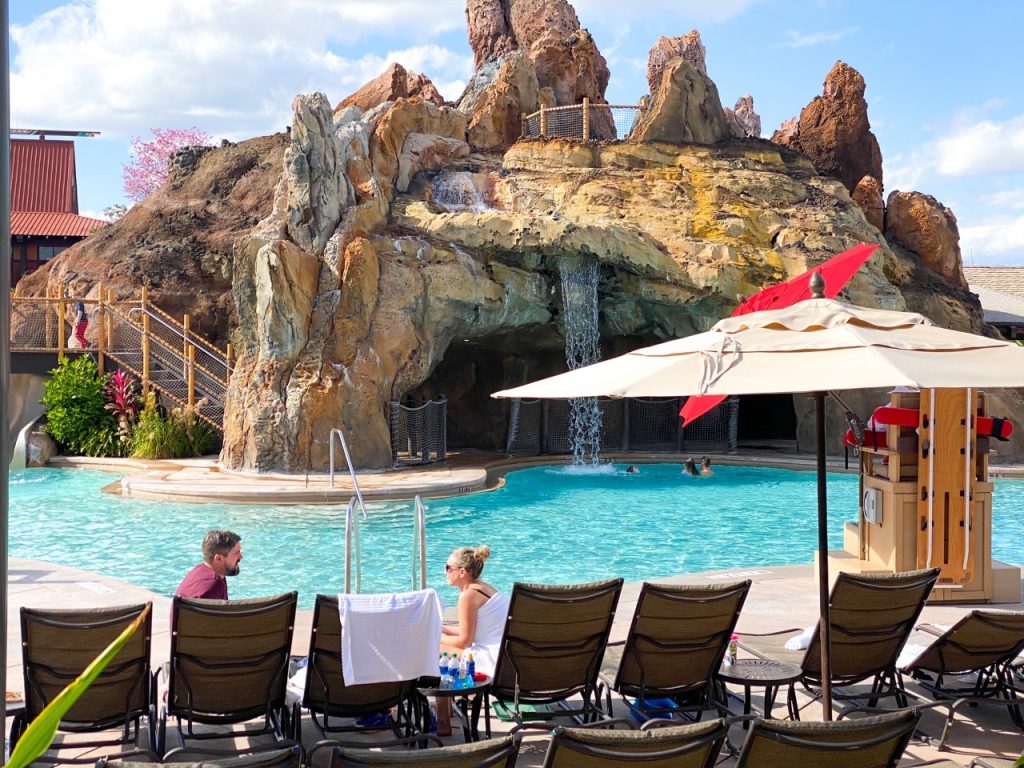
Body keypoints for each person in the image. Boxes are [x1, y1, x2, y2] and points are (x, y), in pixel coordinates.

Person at [438, 545, 509, 735]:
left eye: (448, 568)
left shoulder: (468, 596)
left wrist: (439, 637)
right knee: (439, 643)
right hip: (505, 657)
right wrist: (442, 628)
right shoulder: (483, 588)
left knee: (435, 649)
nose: (445, 572)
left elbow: (464, 642)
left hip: (492, 661)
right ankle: (448, 708)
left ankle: (443, 721)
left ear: (462, 572)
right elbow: (470, 632)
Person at [175, 530, 242, 600]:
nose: (241, 557)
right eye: (237, 553)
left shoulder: (197, 572)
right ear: (218, 559)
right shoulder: (213, 585)